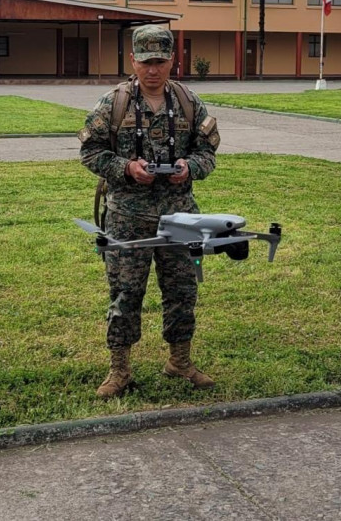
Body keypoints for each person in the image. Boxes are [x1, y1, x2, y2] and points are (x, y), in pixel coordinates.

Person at [78, 24, 221, 399]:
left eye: (160, 61)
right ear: (132, 61)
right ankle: (120, 370)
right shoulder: (114, 103)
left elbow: (208, 153)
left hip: (179, 217)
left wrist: (191, 167)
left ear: (173, 59)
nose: (153, 69)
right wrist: (126, 168)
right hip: (128, 217)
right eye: (145, 62)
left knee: (182, 291)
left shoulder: (189, 102)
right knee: (125, 294)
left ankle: (180, 360)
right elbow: (89, 151)